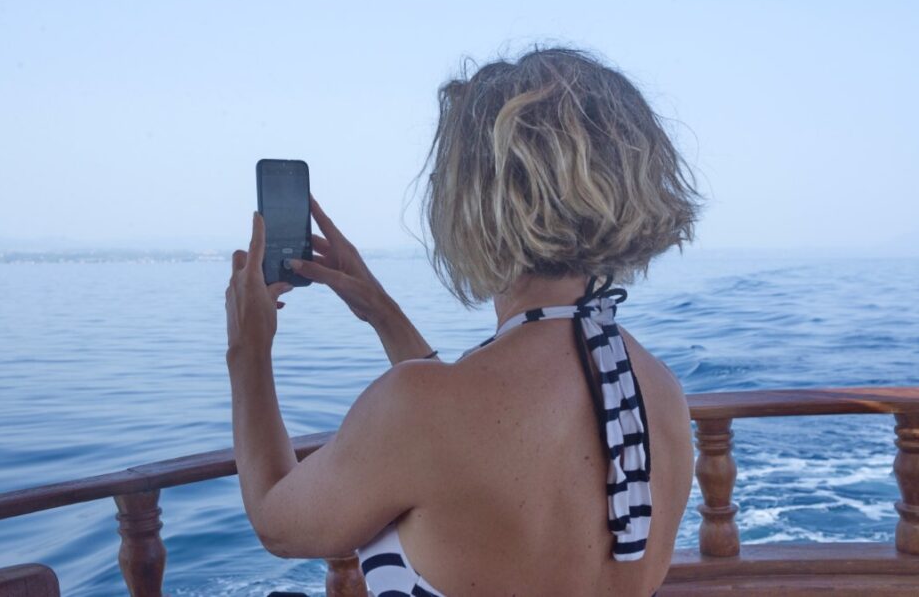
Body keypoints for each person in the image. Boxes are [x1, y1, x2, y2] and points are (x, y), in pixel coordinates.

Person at [225, 47, 700, 596]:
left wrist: (247, 353)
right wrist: (382, 313)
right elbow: (464, 434)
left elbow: (276, 519)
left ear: (472, 200)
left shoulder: (421, 410)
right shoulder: (660, 394)